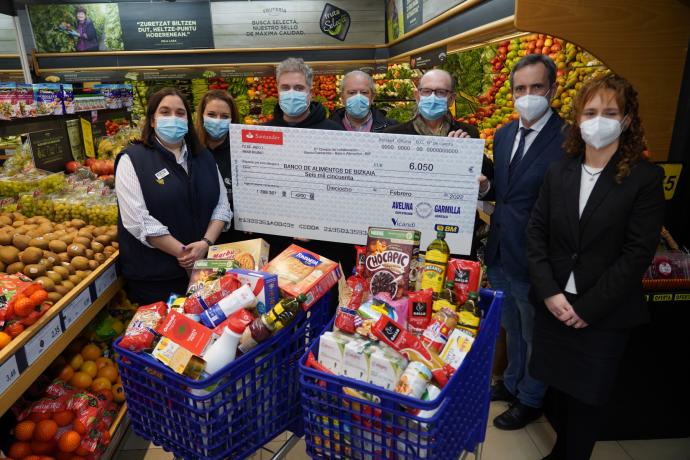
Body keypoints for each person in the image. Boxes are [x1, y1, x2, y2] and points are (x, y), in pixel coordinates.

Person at [526, 75, 664, 459]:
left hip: (602, 311)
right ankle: (559, 452)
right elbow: (536, 234)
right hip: (555, 302)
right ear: (577, 118)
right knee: (559, 388)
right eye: (590, 112)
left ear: (628, 120)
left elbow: (637, 254)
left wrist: (588, 309)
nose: (598, 120)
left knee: (588, 397)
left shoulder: (644, 178)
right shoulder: (560, 171)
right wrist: (551, 292)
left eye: (610, 112)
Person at [480, 54, 565, 430]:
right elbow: (507, 192)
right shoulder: (503, 134)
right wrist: (486, 187)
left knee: (534, 332)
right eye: (520, 89)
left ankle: (531, 399)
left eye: (536, 87)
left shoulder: (567, 139)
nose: (527, 95)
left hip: (536, 258)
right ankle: (512, 384)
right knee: (510, 326)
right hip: (500, 250)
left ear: (553, 89)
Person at [115, 87, 233, 305]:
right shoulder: (132, 159)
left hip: (204, 274)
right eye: (165, 112)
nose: (174, 118)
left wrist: (205, 244)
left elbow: (222, 205)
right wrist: (185, 254)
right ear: (152, 120)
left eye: (180, 113)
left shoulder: (203, 157)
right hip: (156, 279)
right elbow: (137, 221)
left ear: (188, 120)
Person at [384, 68, 493, 257]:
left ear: (451, 99)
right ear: (417, 96)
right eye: (427, 91)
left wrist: (468, 152)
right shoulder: (393, 136)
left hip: (454, 237)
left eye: (440, 92)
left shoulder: (469, 133)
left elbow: (489, 178)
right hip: (406, 237)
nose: (432, 97)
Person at [195, 89, 243, 244]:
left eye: (224, 116)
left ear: (233, 119)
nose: (217, 121)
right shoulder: (189, 151)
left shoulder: (243, 149)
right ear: (201, 116)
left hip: (239, 235)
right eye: (211, 115)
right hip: (200, 236)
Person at [265, 57, 343, 130]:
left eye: (299, 88)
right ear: (278, 91)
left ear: (311, 93)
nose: (291, 95)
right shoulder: (264, 132)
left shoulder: (334, 131)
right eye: (285, 88)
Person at [330, 70, 397, 132]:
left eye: (364, 92)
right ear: (342, 97)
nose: (358, 98)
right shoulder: (327, 128)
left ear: (372, 97)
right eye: (352, 93)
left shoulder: (393, 128)